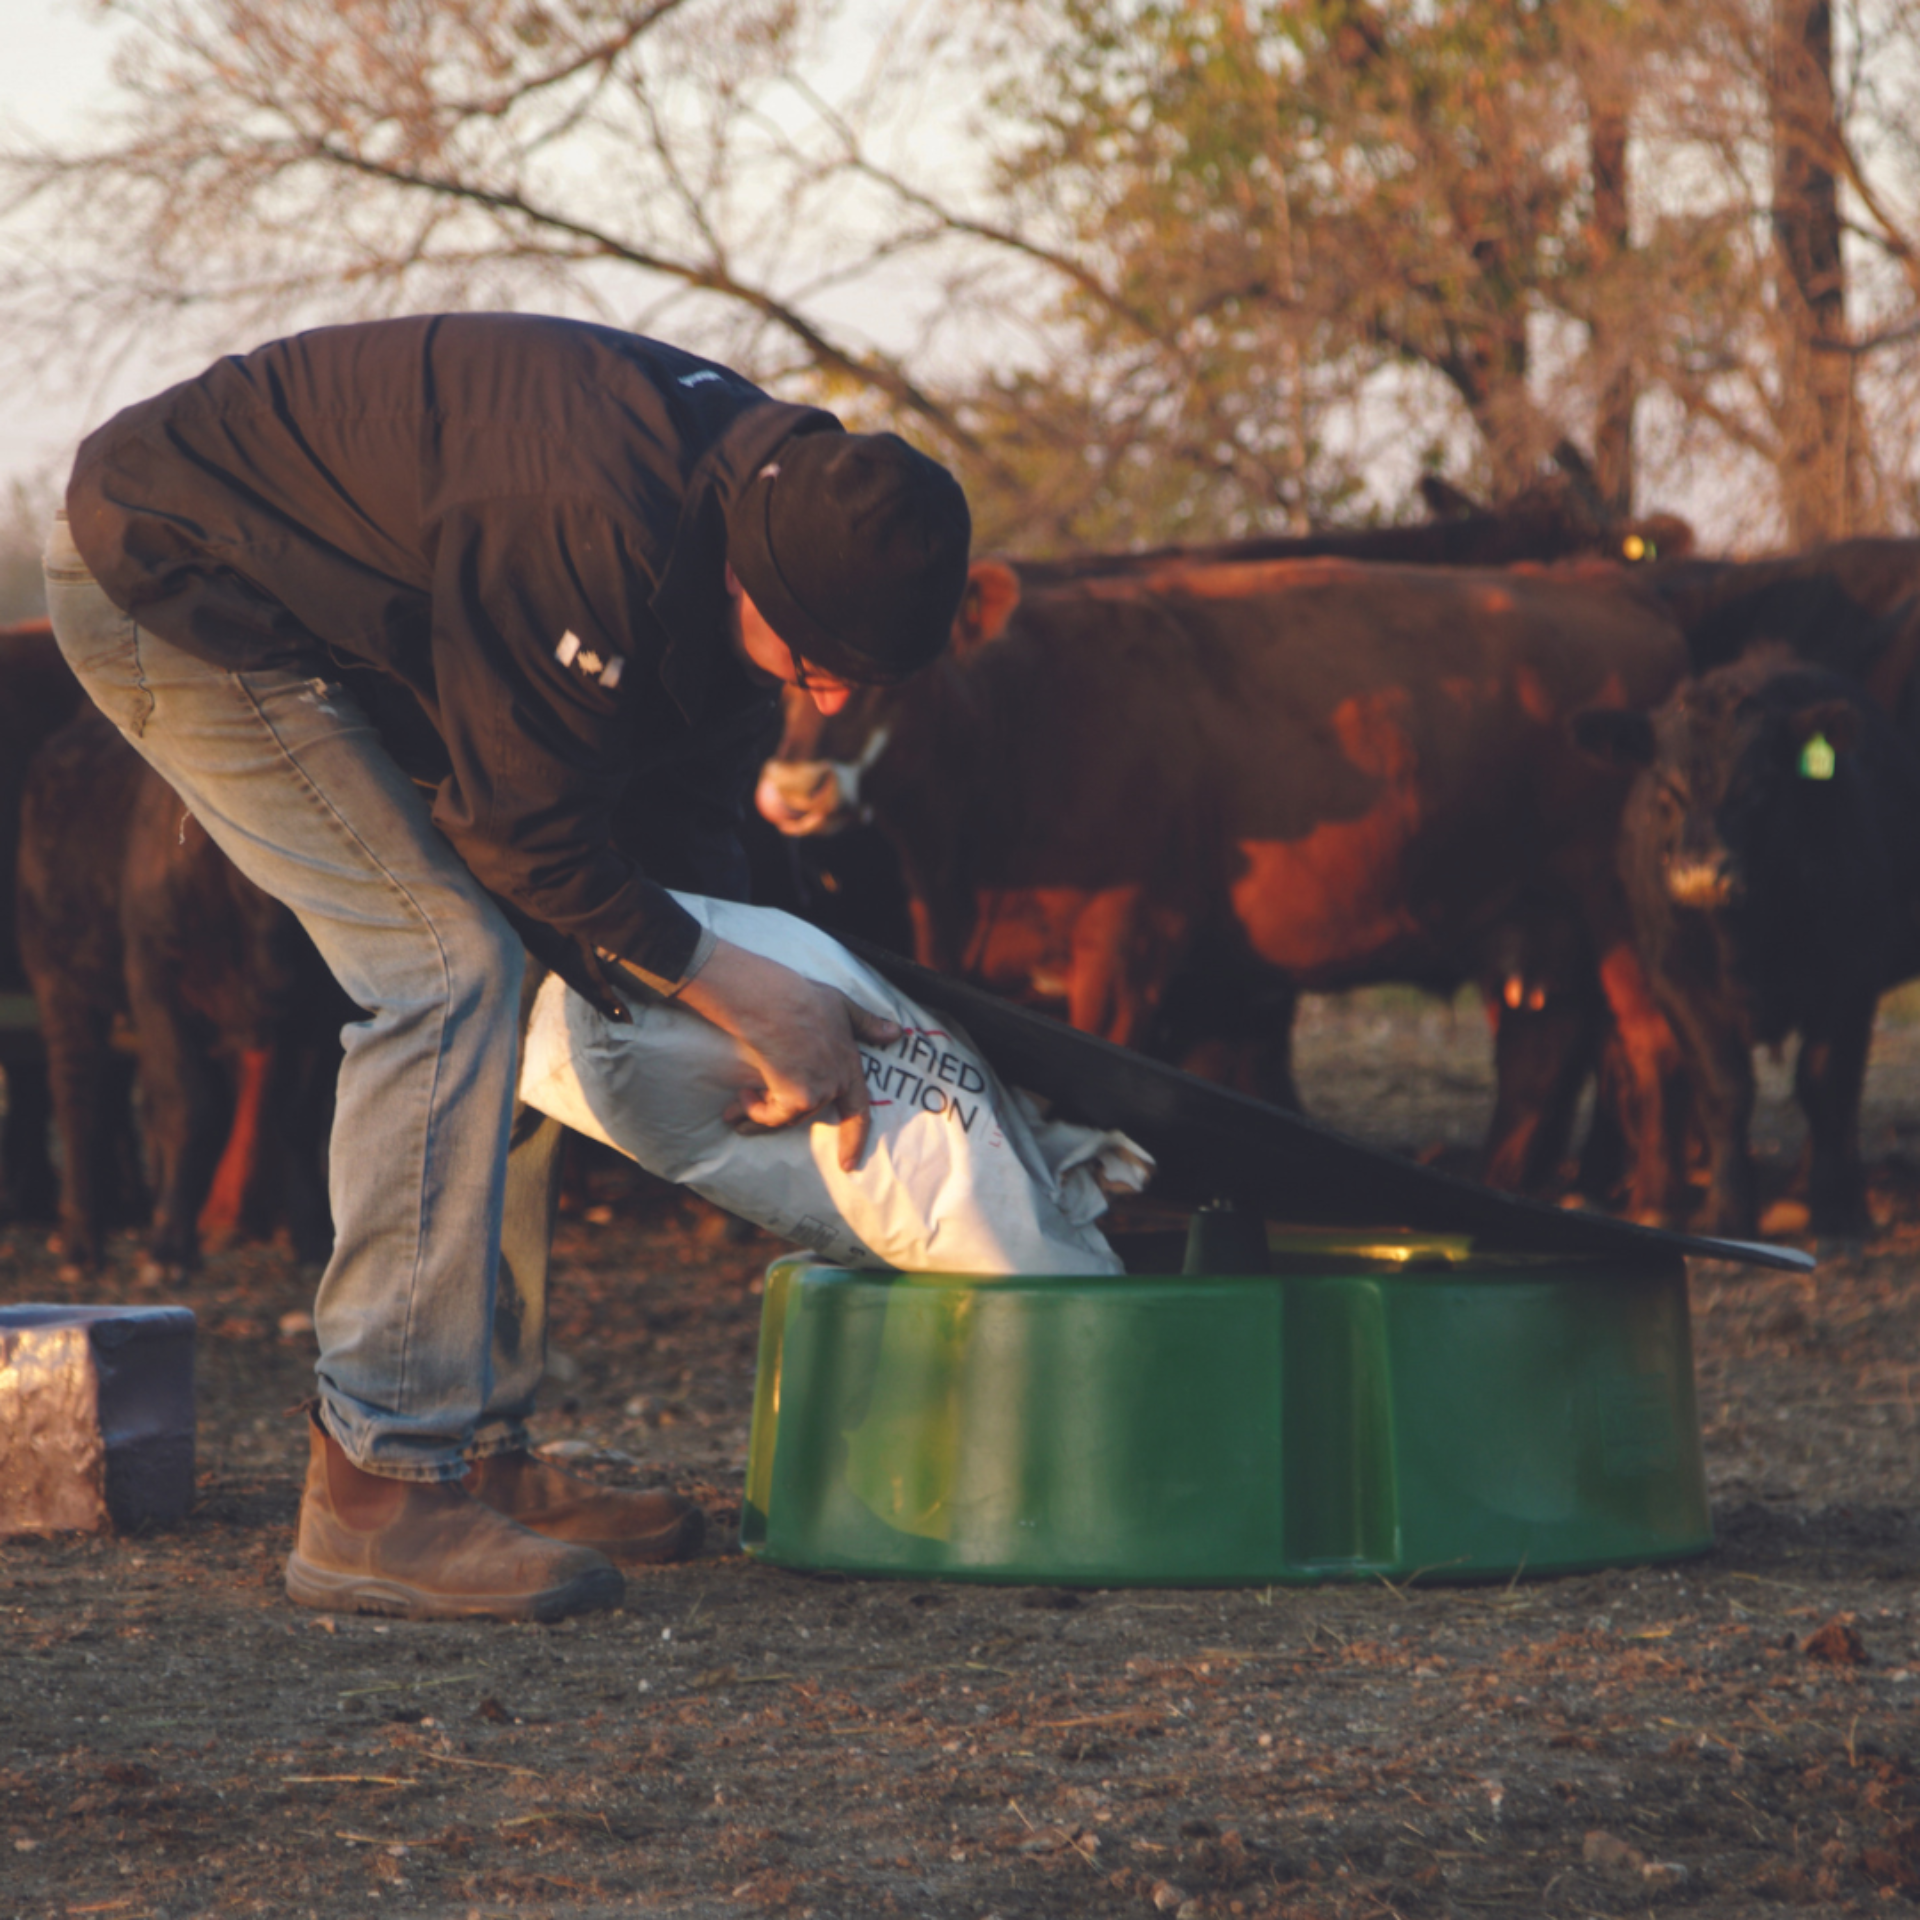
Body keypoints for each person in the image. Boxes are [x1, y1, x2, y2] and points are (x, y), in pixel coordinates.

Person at [46, 312, 972, 1622]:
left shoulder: (768, 528)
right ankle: (378, 1486)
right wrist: (743, 992)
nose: (824, 705)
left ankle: (475, 1446)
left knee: (553, 982)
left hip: (353, 603)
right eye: (816, 666)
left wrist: (763, 985)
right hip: (176, 572)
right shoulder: (589, 522)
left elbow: (686, 862)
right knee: (445, 965)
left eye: (857, 683)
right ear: (753, 582)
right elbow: (521, 836)